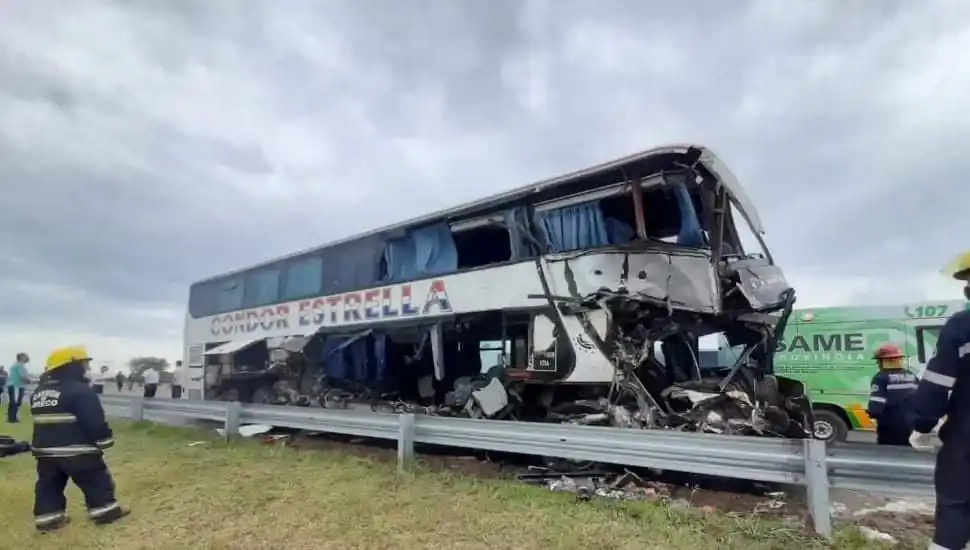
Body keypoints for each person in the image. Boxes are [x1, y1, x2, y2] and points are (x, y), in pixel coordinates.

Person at [30, 345, 129, 532]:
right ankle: (105, 512)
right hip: (78, 451)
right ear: (72, 366)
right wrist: (104, 440)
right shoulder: (80, 390)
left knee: (48, 485)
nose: (87, 369)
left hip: (45, 452)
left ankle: (48, 520)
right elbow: (93, 419)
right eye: (84, 364)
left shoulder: (39, 392)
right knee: (95, 480)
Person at [909, 250, 970, 550]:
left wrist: (923, 425)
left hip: (966, 443)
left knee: (955, 510)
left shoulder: (962, 326)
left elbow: (936, 385)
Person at [865, 343, 918, 446]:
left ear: (882, 361)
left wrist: (871, 413)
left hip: (890, 426)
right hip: (911, 423)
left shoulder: (880, 378)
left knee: (889, 455)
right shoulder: (911, 375)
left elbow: (876, 405)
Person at [7, 353, 30, 423]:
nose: (27, 358)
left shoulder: (14, 365)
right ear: (22, 357)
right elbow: (23, 377)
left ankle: (11, 418)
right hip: (17, 386)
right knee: (16, 402)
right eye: (25, 356)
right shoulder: (20, 365)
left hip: (13, 385)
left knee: (13, 402)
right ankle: (13, 419)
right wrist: (30, 381)